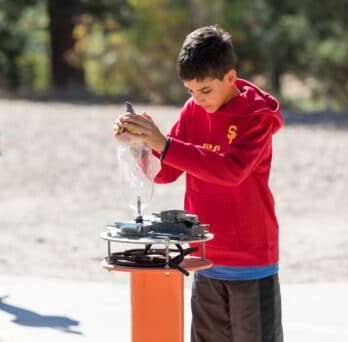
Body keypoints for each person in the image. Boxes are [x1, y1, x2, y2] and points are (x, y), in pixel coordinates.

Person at [114, 25, 283, 342]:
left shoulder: (256, 117)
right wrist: (139, 145)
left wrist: (162, 143)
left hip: (251, 261)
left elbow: (232, 171)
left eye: (205, 90)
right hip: (205, 259)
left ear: (230, 78)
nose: (197, 99)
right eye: (190, 91)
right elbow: (165, 171)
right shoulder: (194, 110)